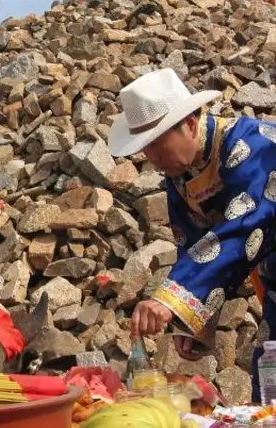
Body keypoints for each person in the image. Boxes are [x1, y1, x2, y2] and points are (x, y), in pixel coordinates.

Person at [108, 68, 276, 402]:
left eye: (157, 144)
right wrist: (196, 322)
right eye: (145, 150)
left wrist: (172, 299)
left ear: (189, 123)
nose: (152, 159)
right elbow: (195, 243)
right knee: (270, 383)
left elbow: (244, 226)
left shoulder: (254, 146)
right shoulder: (180, 173)